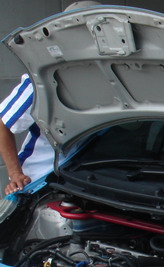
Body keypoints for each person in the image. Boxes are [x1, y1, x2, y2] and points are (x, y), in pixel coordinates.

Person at [0, 1, 101, 196]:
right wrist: (15, 174)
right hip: (39, 181)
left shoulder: (114, 81)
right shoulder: (41, 81)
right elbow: (3, 124)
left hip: (86, 179)